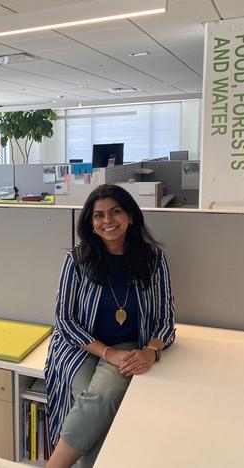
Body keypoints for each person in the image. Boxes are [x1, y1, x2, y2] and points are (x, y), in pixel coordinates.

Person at [44, 184, 175, 468]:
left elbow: (166, 320)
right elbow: (64, 320)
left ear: (130, 216)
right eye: (98, 215)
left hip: (128, 346)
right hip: (80, 347)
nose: (107, 221)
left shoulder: (153, 260)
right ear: (90, 223)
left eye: (115, 212)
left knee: (100, 399)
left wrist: (151, 351)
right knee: (96, 408)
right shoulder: (77, 260)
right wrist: (107, 353)